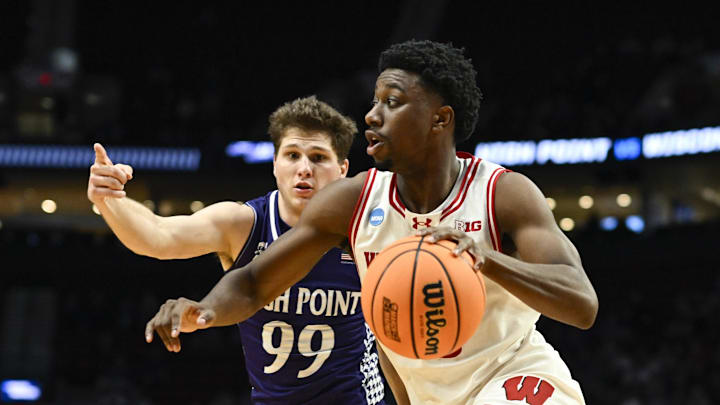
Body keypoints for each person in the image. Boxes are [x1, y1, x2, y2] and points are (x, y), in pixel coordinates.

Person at [146, 40, 599, 405]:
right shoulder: (352, 201)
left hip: (514, 376)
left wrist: (489, 261)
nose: (371, 115)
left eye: (393, 102)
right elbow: (252, 285)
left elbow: (582, 304)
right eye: (375, 101)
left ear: (440, 120)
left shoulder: (503, 194)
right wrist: (204, 311)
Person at [88, 96, 386, 404]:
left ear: (342, 170)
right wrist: (108, 199)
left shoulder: (366, 228)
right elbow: (159, 236)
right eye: (292, 155)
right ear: (275, 165)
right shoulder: (244, 223)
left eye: (318, 157)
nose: (304, 169)